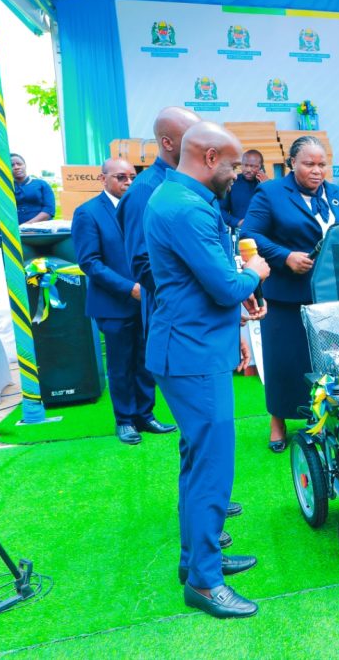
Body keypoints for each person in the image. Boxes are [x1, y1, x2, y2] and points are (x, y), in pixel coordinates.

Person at [143, 122, 270, 618]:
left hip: (192, 347)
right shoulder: (185, 206)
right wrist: (253, 274)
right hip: (191, 354)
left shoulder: (180, 197)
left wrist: (237, 305)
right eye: (234, 165)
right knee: (212, 468)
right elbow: (223, 285)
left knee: (198, 462)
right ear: (210, 157)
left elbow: (203, 284)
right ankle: (204, 580)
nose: (239, 174)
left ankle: (197, 558)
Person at [241, 136, 339, 453]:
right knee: (285, 361)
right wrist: (285, 256)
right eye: (309, 164)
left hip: (332, 295)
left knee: (329, 362)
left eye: (322, 164)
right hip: (286, 295)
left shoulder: (338, 195)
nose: (317, 170)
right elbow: (249, 235)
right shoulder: (270, 192)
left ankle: (324, 419)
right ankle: (277, 422)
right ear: (292, 163)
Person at [72, 158, 177, 445]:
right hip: (113, 302)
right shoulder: (88, 212)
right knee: (120, 364)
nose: (128, 182)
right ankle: (125, 420)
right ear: (102, 178)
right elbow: (90, 262)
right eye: (121, 177)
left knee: (145, 360)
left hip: (146, 300)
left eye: (132, 176)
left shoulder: (142, 206)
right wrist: (128, 288)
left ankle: (146, 414)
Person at [118, 107, 201, 333]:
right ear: (167, 143)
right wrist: (206, 289)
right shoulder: (145, 189)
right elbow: (143, 264)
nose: (203, 145)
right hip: (176, 319)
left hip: (200, 315)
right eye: (193, 138)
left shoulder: (189, 184)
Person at [220, 149, 266, 232]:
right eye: (245, 165)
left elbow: (278, 210)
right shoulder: (231, 183)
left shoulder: (268, 185)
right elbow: (221, 210)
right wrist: (237, 222)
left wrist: (266, 186)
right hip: (239, 233)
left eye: (253, 166)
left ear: (261, 167)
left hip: (263, 233)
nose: (248, 170)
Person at [11, 154, 55, 225]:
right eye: (12, 165)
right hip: (15, 229)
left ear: (25, 165)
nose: (16, 167)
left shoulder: (41, 184)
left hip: (41, 227)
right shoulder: (6, 188)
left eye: (19, 164)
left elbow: (49, 209)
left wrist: (27, 225)